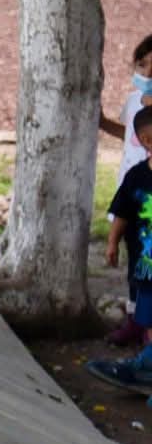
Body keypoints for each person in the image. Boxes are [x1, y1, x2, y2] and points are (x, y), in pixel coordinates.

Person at [99, 35, 152, 347]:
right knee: (134, 258)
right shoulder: (133, 101)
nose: (147, 73)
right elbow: (128, 133)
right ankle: (135, 319)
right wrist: (103, 123)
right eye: (142, 64)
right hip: (131, 190)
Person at [94, 107, 152, 383]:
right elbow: (122, 214)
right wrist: (112, 243)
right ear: (147, 140)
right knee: (148, 319)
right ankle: (146, 368)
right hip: (145, 267)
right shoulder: (136, 177)